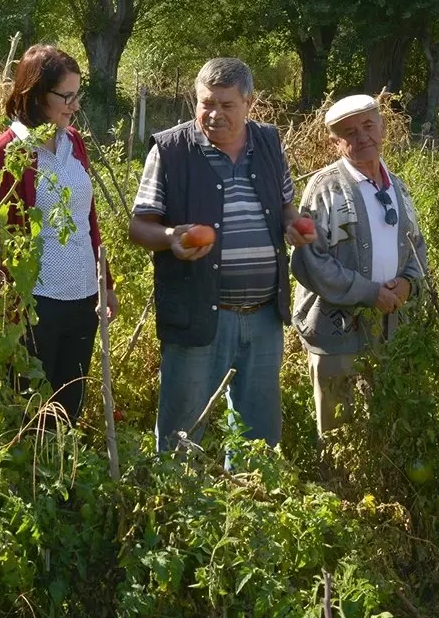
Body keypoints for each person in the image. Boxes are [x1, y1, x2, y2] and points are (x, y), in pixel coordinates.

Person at [129, 57, 314, 451]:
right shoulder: (171, 150)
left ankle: (250, 503)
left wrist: (292, 225)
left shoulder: (267, 143)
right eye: (205, 103)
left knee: (258, 436)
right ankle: (179, 504)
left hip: (263, 317)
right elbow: (139, 226)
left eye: (225, 105)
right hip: (198, 312)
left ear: (248, 103)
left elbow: (284, 207)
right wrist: (170, 236)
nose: (213, 114)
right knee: (183, 430)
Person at [0, 44, 117, 424]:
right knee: (31, 411)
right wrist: (7, 307)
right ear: (35, 94)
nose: (74, 105)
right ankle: (31, 481)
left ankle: (64, 477)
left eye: (77, 95)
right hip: (35, 305)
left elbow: (87, 219)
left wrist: (106, 282)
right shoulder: (4, 156)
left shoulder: (74, 143)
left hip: (82, 297)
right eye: (65, 96)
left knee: (69, 406)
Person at [290, 94, 429, 436]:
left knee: (386, 421)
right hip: (335, 330)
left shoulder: (398, 185)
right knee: (339, 428)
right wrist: (368, 293)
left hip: (390, 328)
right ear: (335, 142)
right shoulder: (325, 188)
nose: (362, 137)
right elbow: (309, 260)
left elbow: (417, 245)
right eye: (349, 132)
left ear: (382, 128)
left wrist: (409, 284)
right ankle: (339, 488)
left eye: (368, 126)